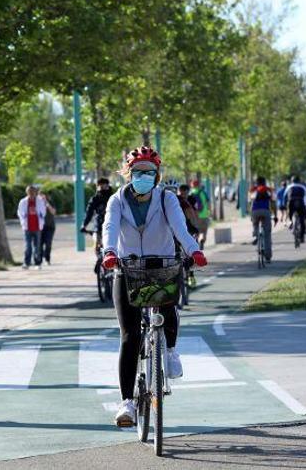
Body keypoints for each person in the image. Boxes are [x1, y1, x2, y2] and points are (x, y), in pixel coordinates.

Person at [100, 146, 208, 428]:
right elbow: (109, 227)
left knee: (168, 305)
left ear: (157, 175)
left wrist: (194, 250)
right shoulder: (117, 201)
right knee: (129, 335)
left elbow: (180, 228)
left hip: (162, 265)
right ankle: (127, 403)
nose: (143, 176)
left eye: (149, 172)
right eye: (138, 172)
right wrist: (109, 252)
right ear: (128, 173)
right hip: (128, 268)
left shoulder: (166, 199)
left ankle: (170, 350)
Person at [17, 185, 46, 270]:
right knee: (28, 246)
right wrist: (23, 218)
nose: (32, 194)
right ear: (27, 193)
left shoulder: (40, 201)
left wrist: (40, 214)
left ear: (35, 193)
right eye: (30, 192)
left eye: (33, 192)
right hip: (27, 227)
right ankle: (26, 262)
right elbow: (20, 213)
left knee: (37, 246)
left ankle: (37, 263)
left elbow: (43, 212)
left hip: (37, 226)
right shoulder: (23, 202)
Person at [250, 177, 278, 262]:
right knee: (267, 234)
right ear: (265, 182)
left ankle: (255, 234)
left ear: (257, 183)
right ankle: (268, 257)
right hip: (266, 212)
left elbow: (250, 202)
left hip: (255, 211)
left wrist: (251, 216)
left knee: (255, 223)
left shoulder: (253, 190)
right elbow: (273, 204)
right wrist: (275, 215)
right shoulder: (269, 190)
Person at [82, 178, 114, 249]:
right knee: (97, 241)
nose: (102, 188)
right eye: (100, 186)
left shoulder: (113, 198)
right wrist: (84, 225)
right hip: (98, 225)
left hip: (111, 225)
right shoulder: (95, 199)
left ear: (107, 186)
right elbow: (89, 213)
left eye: (104, 186)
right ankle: (98, 255)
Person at [284, 176, 306, 242]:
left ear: (292, 181)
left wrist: (284, 204)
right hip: (300, 203)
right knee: (302, 219)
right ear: (299, 181)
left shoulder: (289, 187)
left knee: (290, 213)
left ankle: (291, 221)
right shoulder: (302, 187)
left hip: (291, 203)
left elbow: (284, 196)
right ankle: (301, 237)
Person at [189, 180, 212, 250]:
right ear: (198, 185)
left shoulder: (190, 193)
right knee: (204, 231)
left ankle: (197, 243)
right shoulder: (203, 192)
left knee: (196, 231)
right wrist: (209, 212)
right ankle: (202, 240)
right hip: (204, 215)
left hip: (195, 216)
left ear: (192, 185)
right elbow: (208, 204)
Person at [39, 192, 57, 265]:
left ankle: (47, 259)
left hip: (50, 227)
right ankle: (39, 260)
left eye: (42, 196)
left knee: (48, 244)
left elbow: (53, 212)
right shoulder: (37, 204)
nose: (41, 197)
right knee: (39, 244)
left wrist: (47, 204)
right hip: (40, 227)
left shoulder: (50, 203)